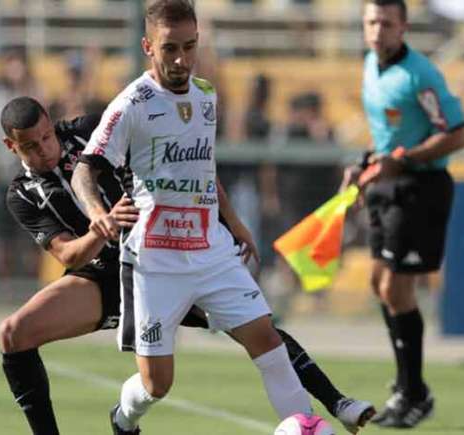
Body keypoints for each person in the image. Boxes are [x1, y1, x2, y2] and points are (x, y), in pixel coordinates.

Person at [0, 96, 374, 434]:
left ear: (52, 124)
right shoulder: (20, 195)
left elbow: (189, 166)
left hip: (164, 257)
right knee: (15, 334)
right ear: (10, 146)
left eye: (47, 137)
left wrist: (232, 222)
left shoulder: (89, 130)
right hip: (102, 275)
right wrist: (104, 226)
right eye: (31, 146)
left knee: (256, 327)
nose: (45, 150)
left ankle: (336, 401)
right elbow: (68, 255)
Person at [69, 1, 322, 431]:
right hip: (155, 259)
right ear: (148, 46)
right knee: (157, 384)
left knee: (268, 342)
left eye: (189, 46)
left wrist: (235, 223)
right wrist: (97, 212)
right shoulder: (131, 104)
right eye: (170, 49)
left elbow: (204, 171)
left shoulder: (206, 95)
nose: (181, 59)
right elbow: (84, 170)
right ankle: (123, 418)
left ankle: (306, 426)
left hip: (210, 250)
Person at [341, 0, 464, 429]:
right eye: (371, 22)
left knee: (396, 289)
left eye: (387, 23)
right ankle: (407, 387)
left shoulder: (420, 75)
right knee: (381, 284)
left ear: (403, 27)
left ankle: (414, 391)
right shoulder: (370, 66)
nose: (378, 31)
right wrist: (363, 166)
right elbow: (386, 135)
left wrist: (405, 159)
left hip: (420, 187)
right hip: (386, 182)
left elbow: (455, 136)